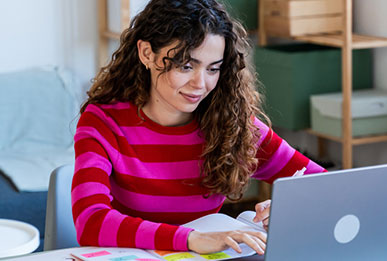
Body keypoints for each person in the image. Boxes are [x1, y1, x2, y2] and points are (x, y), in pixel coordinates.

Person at [72, 0, 326, 255]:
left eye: (213, 69)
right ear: (146, 54)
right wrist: (190, 239)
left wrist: (291, 204)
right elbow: (91, 222)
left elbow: (325, 184)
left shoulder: (230, 122)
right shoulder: (102, 122)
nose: (200, 84)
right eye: (185, 66)